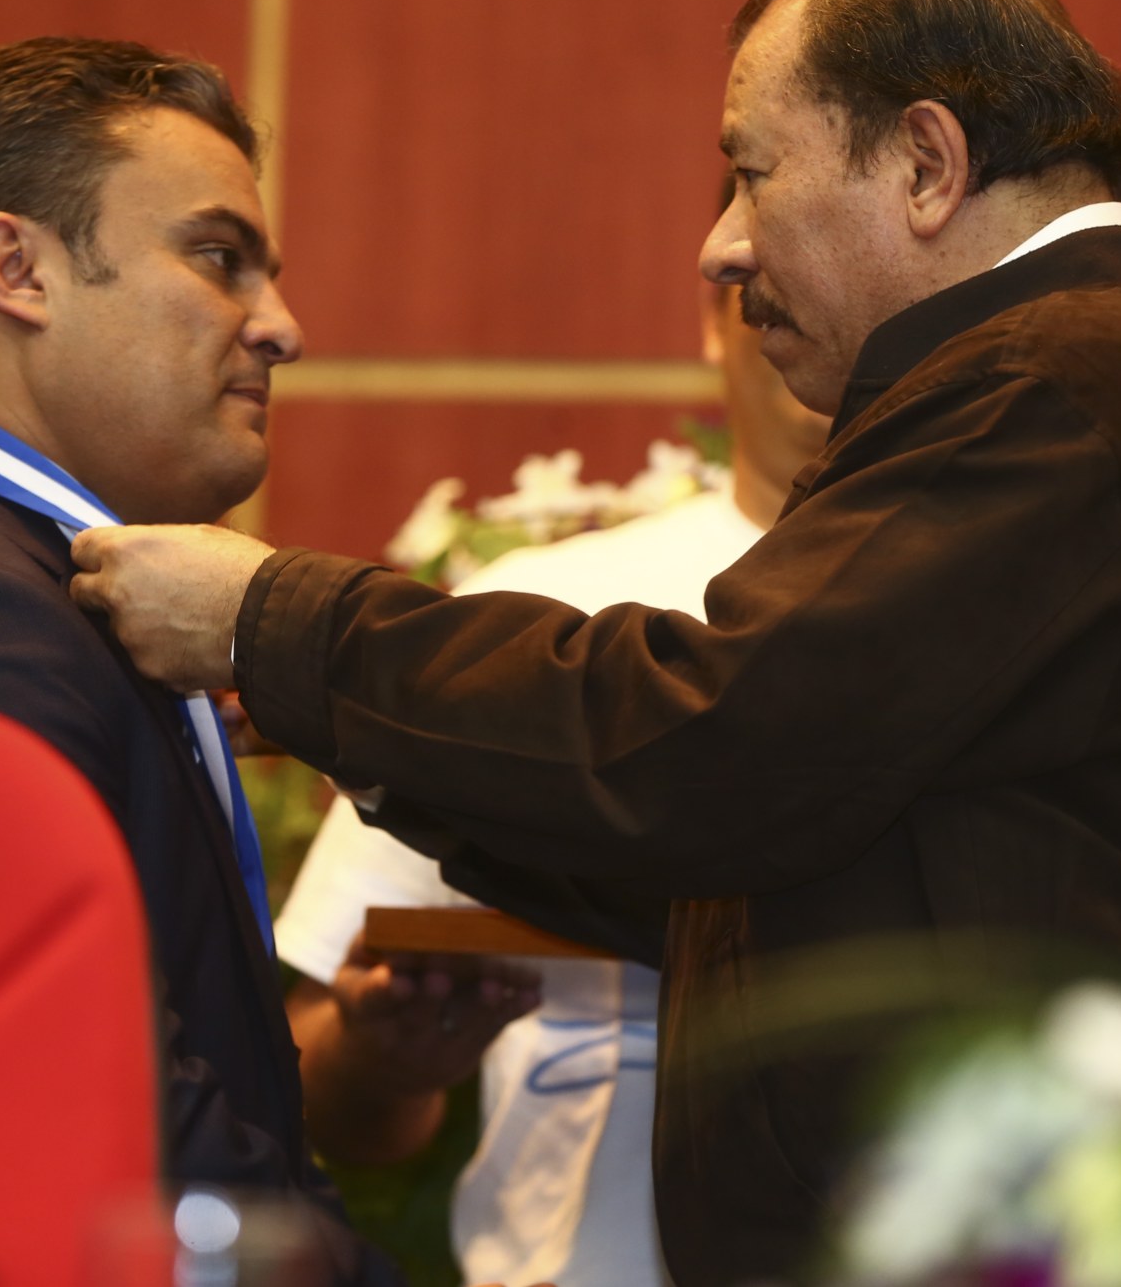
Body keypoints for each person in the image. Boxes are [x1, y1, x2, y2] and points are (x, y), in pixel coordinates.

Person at [72, 0, 1121, 1285]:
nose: (722, 245)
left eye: (753, 172)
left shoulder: (1056, 380)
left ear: (926, 165)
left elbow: (711, 737)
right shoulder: (1082, 373)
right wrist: (341, 714)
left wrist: (274, 620)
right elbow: (774, 872)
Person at [0, 37, 400, 1287]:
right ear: (18, 269)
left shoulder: (31, 589)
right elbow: (117, 1135)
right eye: (218, 257)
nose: (282, 326)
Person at [275, 251, 830, 1287]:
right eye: (777, 290)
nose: (825, 320)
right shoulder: (534, 611)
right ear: (716, 318)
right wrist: (386, 1055)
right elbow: (325, 1090)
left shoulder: (1008, 624)